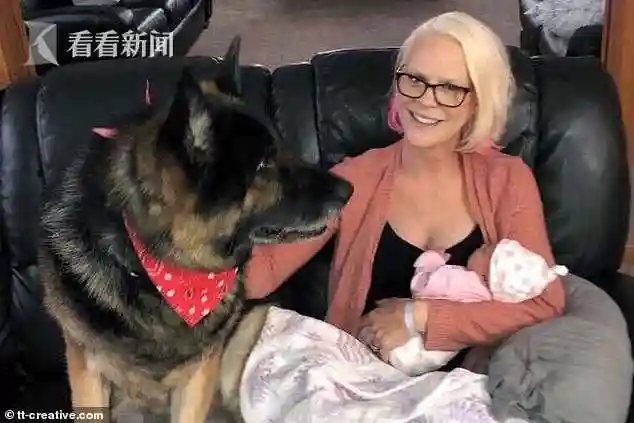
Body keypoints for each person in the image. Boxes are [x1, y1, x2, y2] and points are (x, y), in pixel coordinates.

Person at [244, 11, 565, 369]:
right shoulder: (356, 178)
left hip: (475, 385)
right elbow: (263, 271)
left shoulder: (506, 180)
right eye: (414, 79)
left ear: (479, 100)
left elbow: (543, 304)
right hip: (362, 379)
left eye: (450, 88)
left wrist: (420, 316)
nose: (426, 100)